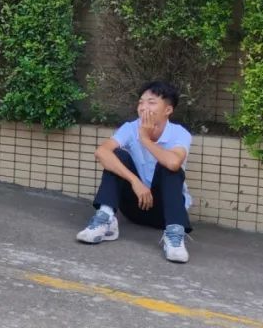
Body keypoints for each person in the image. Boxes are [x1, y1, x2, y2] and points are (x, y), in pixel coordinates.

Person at [76, 81, 194, 263]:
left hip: (164, 213)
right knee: (116, 156)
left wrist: (145, 139)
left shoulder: (179, 133)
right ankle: (106, 220)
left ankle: (174, 235)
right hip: (134, 206)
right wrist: (134, 181)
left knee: (169, 166)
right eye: (141, 102)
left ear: (168, 110)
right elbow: (101, 152)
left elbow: (173, 163)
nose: (143, 107)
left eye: (151, 102)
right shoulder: (131, 127)